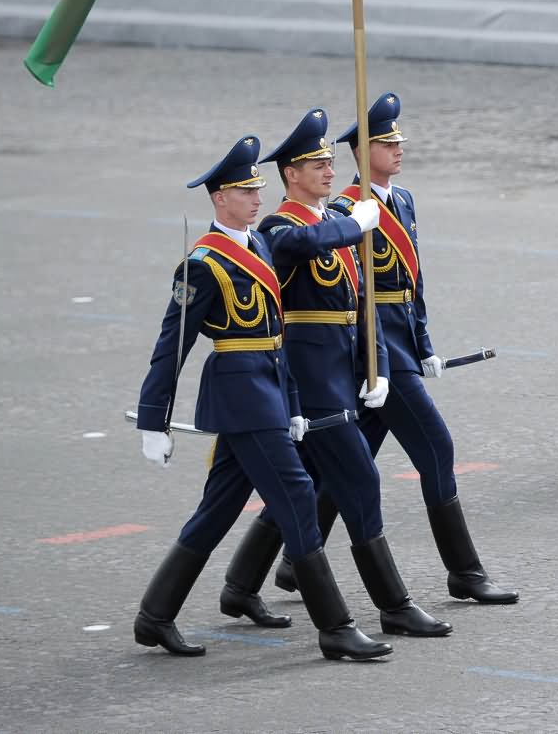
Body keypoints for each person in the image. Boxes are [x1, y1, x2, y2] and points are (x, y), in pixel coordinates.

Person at [132, 135, 390, 662]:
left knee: (218, 508)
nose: (255, 199)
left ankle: (154, 617)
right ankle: (335, 626)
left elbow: (278, 338)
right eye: (243, 191)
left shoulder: (260, 247)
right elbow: (170, 346)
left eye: (256, 190)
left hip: (269, 392)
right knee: (297, 495)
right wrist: (152, 421)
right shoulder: (203, 264)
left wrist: (293, 406)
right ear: (218, 199)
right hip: (238, 395)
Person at [271, 92, 519, 605]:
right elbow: (354, 291)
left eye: (398, 140)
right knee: (435, 448)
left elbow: (413, 280)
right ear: (363, 150)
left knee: (338, 465)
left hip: (401, 339)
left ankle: (290, 563)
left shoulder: (401, 201)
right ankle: (465, 572)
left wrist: (424, 341)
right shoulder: (344, 210)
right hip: (373, 346)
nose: (398, 149)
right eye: (386, 142)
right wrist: (383, 356)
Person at [220, 109, 452, 643]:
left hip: (340, 374)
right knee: (359, 481)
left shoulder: (328, 222)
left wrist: (379, 366)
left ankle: (238, 585)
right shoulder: (283, 225)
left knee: (297, 486)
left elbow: (361, 299)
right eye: (315, 163)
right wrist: (355, 225)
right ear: (289, 175)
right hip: (308, 379)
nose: (328, 170)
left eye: (329, 161)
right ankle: (391, 605)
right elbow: (301, 248)